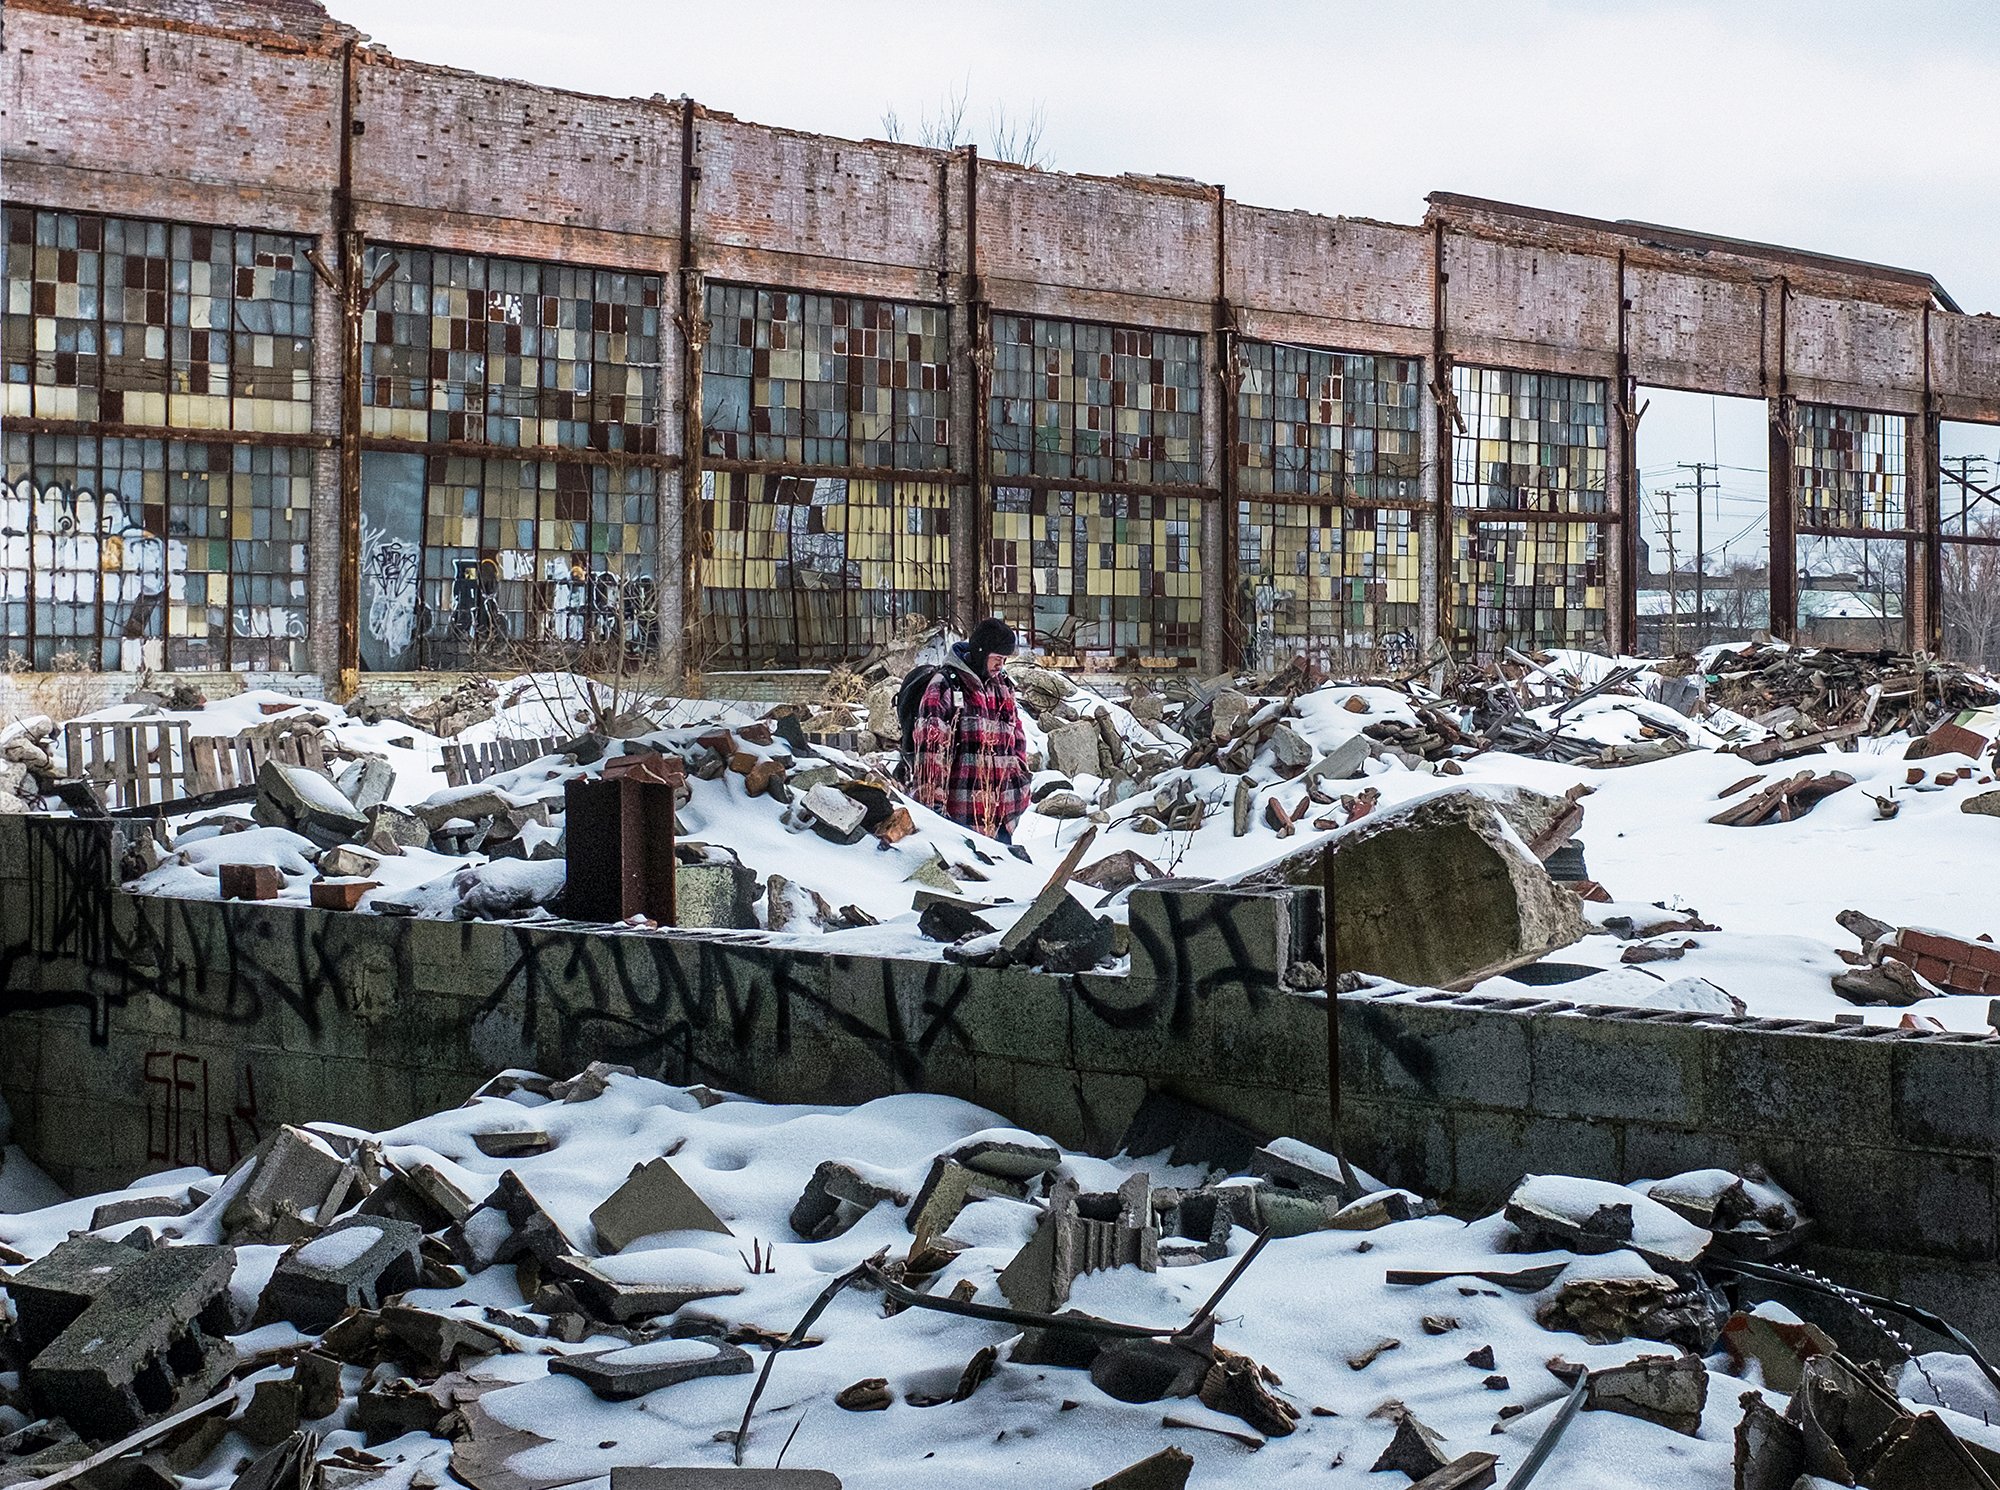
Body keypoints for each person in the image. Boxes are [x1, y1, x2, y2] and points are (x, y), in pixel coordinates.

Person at [909, 618, 1030, 842]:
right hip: (960, 817)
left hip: (1002, 818)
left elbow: (1018, 739)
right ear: (981, 652)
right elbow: (930, 751)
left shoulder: (1003, 686)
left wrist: (1020, 781)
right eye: (997, 659)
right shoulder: (945, 685)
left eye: (1004, 660)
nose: (1000, 666)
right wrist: (932, 808)